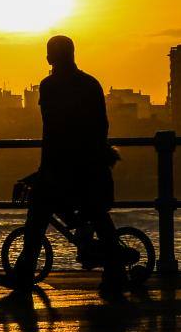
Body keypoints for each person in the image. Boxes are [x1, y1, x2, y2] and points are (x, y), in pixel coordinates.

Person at [13, 35, 125, 292]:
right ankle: (115, 270)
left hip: (61, 167)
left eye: (49, 53)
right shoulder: (90, 84)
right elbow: (101, 126)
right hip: (90, 165)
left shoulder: (50, 86)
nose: (46, 58)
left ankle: (23, 274)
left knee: (38, 215)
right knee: (96, 213)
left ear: (54, 57)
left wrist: (40, 173)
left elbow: (52, 132)